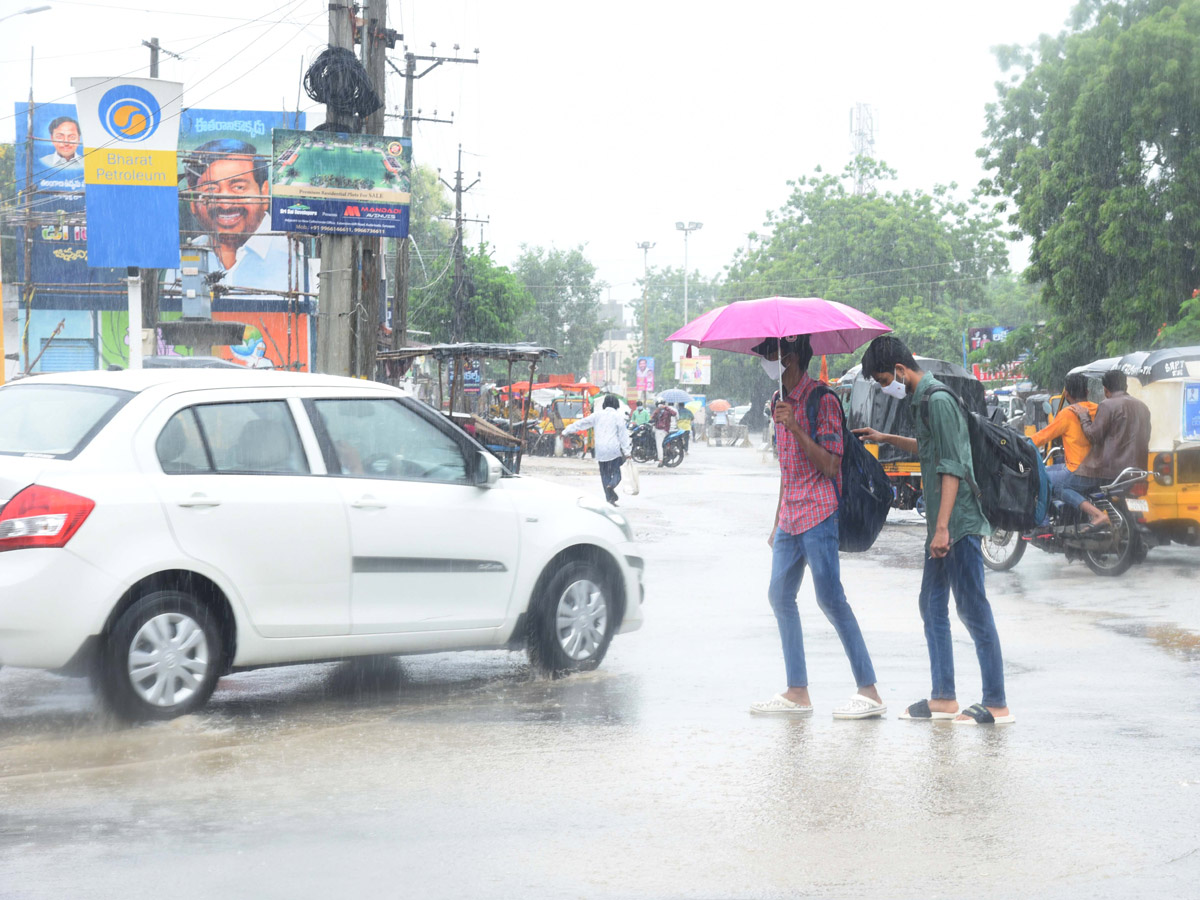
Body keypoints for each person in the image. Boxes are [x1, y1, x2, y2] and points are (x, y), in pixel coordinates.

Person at [854, 336, 1013, 725]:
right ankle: (943, 697)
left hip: (956, 524)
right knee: (931, 604)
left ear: (901, 371)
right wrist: (885, 437)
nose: (884, 387)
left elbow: (953, 466)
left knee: (973, 608)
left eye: (883, 379)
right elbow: (929, 449)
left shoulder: (938, 400)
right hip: (941, 527)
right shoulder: (922, 400)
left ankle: (996, 702)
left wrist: (941, 528)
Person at [750, 335, 885, 720]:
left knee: (831, 600)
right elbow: (786, 470)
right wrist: (777, 520)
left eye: (769, 355)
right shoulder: (778, 405)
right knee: (779, 596)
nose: (765, 362)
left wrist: (795, 427)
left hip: (820, 515)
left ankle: (869, 690)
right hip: (791, 518)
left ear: (790, 358)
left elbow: (830, 465)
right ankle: (797, 691)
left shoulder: (823, 401)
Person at [184, 139, 290, 291]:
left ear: (264, 193)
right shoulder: (185, 259)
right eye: (211, 189)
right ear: (193, 201)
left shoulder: (293, 256)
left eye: (239, 187)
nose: (225, 204)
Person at [1031, 373, 1108, 530]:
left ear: (1066, 394)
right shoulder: (1098, 409)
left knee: (1041, 480)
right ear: (1087, 392)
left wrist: (1021, 443)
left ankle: (1042, 525)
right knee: (1048, 471)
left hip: (1080, 472)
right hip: (1101, 470)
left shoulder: (1068, 413)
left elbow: (1042, 437)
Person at [1073, 369, 1152, 483]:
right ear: (1126, 386)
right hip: (1137, 472)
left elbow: (1094, 436)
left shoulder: (1107, 405)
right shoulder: (1143, 407)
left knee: (1062, 485)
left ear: (1105, 389)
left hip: (1108, 474)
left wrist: (1084, 417)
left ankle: (1086, 502)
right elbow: (1146, 437)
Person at [563, 394, 631, 505]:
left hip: (600, 450)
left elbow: (582, 424)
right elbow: (623, 436)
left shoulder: (597, 415)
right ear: (616, 404)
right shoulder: (618, 416)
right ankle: (612, 485)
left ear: (604, 404)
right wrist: (627, 452)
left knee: (605, 474)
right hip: (613, 449)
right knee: (617, 473)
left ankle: (609, 499)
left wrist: (566, 431)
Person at [650, 400, 677, 467]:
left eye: (661, 404)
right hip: (660, 429)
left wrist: (666, 408)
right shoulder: (658, 411)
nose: (660, 406)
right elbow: (652, 417)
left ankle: (660, 460)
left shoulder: (667, 411)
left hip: (662, 430)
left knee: (659, 445)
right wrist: (657, 410)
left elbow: (674, 413)